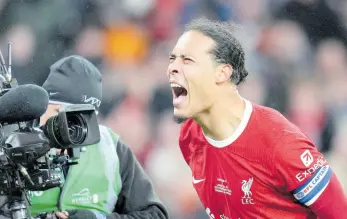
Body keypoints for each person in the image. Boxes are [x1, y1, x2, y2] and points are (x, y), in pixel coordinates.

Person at [167, 18, 347, 219]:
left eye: (188, 60)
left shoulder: (279, 141)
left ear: (222, 73)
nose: (173, 68)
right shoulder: (190, 136)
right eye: (172, 58)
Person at [31, 55, 168, 219]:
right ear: (43, 107)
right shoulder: (15, 144)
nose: (67, 127)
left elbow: (155, 215)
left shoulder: (111, 149)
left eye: (79, 118)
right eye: (58, 113)